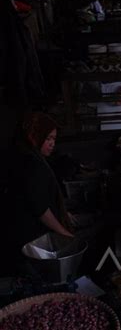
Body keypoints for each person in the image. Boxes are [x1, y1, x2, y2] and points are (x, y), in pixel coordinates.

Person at [5, 112, 73, 268]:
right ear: (34, 136)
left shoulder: (30, 157)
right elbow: (40, 208)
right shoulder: (31, 164)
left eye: (54, 139)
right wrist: (64, 234)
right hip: (30, 235)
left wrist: (64, 213)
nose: (52, 144)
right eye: (48, 138)